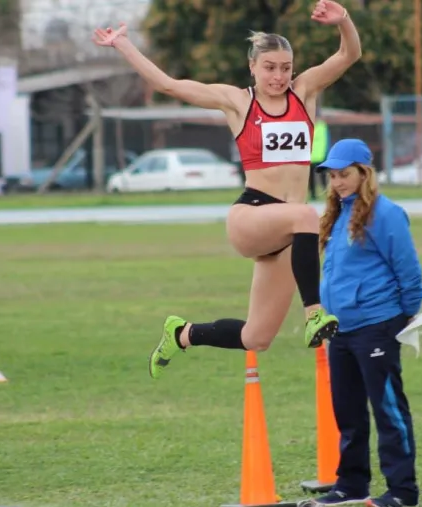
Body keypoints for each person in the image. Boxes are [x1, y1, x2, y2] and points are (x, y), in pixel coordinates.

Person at [91, 0, 362, 378]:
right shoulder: (238, 102)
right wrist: (123, 44)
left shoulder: (304, 93)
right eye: (269, 68)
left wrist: (343, 21)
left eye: (285, 68)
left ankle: (182, 334)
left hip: (287, 234)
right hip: (251, 216)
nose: (278, 76)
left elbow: (350, 53)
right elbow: (169, 85)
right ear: (252, 67)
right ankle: (314, 313)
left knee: (258, 336)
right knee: (306, 214)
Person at [302, 139, 422, 507]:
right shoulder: (337, 214)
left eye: (345, 174)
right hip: (340, 329)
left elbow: (410, 274)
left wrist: (398, 319)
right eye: (333, 176)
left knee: (388, 410)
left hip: (378, 326)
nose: (337, 182)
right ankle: (351, 485)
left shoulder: (386, 214)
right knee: (348, 411)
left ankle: (403, 491)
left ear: (364, 173)